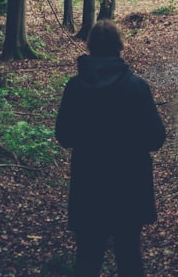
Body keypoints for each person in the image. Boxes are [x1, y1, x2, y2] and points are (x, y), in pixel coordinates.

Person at [55, 19, 167, 277]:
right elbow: (156, 138)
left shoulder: (75, 87)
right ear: (120, 47)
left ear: (90, 46)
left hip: (88, 186)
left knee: (87, 259)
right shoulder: (137, 87)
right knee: (129, 257)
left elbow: (64, 136)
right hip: (129, 188)